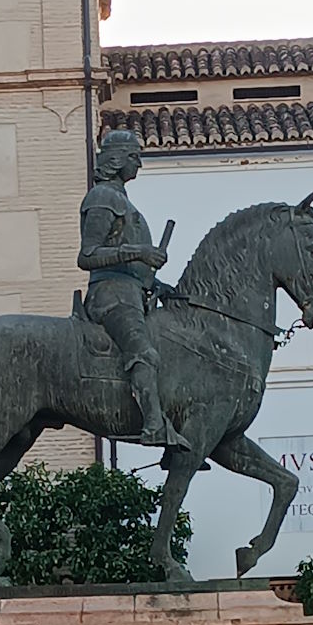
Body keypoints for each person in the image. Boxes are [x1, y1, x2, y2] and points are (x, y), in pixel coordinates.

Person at [78, 130, 190, 450]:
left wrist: (157, 284)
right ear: (115, 161)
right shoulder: (102, 198)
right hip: (110, 297)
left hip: (131, 294)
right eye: (133, 156)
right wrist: (139, 252)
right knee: (144, 351)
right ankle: (154, 426)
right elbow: (87, 256)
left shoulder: (123, 201)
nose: (139, 162)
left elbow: (134, 269)